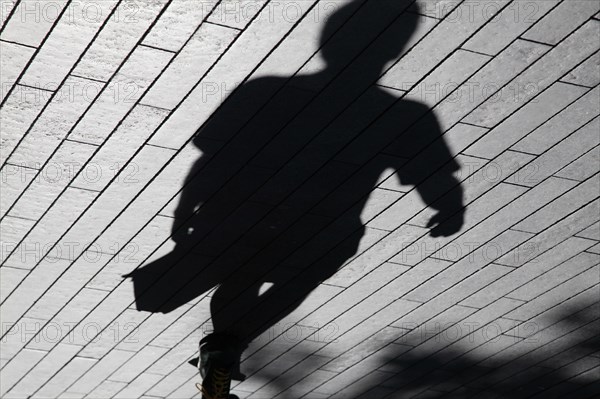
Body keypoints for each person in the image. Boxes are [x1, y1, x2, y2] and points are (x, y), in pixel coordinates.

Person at [127, 1, 464, 397]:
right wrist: (448, 209)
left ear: (326, 42)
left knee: (242, 273)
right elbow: (434, 175)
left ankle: (223, 349)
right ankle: (225, 346)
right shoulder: (403, 116)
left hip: (236, 215)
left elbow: (213, 158)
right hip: (321, 229)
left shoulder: (266, 91)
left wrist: (185, 209)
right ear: (394, 50)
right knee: (296, 276)